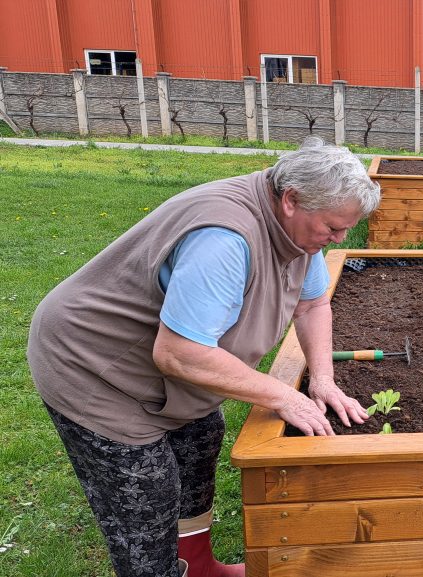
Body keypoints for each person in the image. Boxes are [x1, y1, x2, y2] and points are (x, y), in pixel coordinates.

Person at [27, 138, 380, 577]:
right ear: (291, 200)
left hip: (169, 369)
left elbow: (311, 305)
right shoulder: (225, 240)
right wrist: (283, 396)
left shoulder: (300, 227)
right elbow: (181, 352)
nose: (339, 238)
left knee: (200, 442)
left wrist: (322, 380)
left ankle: (197, 566)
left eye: (345, 229)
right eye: (332, 228)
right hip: (94, 366)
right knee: (146, 495)